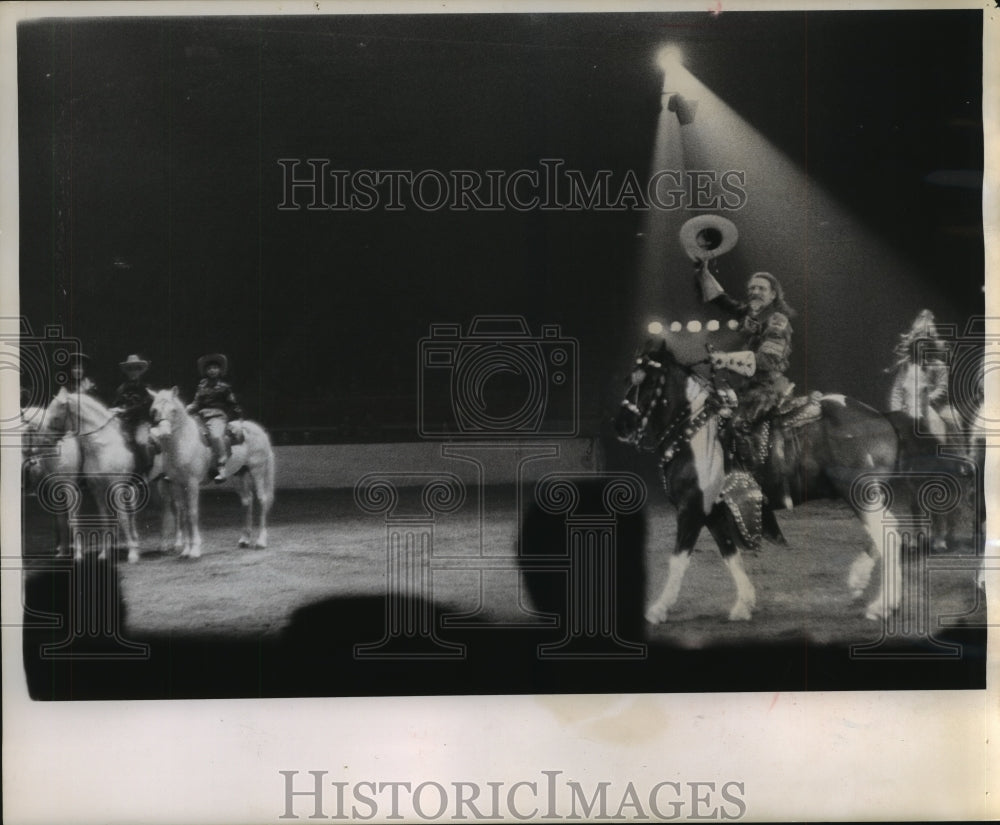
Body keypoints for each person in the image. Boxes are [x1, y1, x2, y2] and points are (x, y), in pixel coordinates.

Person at [694, 263, 795, 465]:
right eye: (752, 288)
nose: (755, 292)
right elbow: (722, 301)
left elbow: (768, 360)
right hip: (747, 387)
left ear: (773, 294)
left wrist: (726, 359)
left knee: (739, 424)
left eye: (761, 288)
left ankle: (754, 476)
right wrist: (703, 273)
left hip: (767, 388)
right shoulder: (751, 315)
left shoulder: (777, 320)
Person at [886, 309, 956, 438]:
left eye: (926, 343)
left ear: (930, 346)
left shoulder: (938, 366)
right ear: (914, 346)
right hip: (907, 409)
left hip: (932, 407)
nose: (922, 346)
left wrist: (927, 400)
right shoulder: (906, 367)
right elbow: (897, 392)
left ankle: (953, 452)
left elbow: (942, 388)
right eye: (919, 343)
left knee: (951, 420)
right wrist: (896, 412)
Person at [187, 353, 242, 482]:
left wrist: (239, 417)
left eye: (215, 368)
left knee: (216, 436)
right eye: (209, 368)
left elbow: (233, 404)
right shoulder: (201, 386)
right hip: (200, 416)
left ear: (219, 370)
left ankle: (221, 466)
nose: (212, 371)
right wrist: (188, 408)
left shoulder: (224, 387)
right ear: (206, 371)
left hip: (217, 416)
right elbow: (196, 403)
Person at [111, 354, 155, 476]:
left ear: (140, 370)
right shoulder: (121, 388)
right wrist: (114, 410)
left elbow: (144, 405)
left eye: (136, 368)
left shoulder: (146, 388)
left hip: (141, 421)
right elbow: (116, 403)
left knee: (141, 442)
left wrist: (126, 410)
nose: (133, 372)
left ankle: (146, 469)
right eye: (130, 369)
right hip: (124, 422)